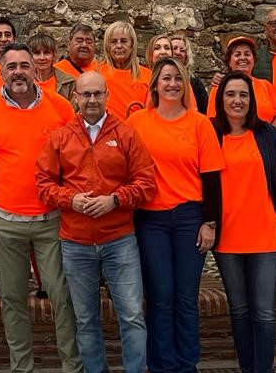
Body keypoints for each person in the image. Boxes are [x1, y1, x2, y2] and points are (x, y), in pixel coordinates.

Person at [36, 71, 157, 373]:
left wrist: (115, 199)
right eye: (86, 94)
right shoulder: (61, 137)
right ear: (75, 97)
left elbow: (146, 181)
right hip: (75, 242)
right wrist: (71, 199)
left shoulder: (126, 134)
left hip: (119, 239)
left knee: (132, 316)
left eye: (97, 94)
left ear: (107, 96)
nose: (92, 100)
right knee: (85, 319)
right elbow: (43, 184)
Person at [0, 43, 82, 373]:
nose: (18, 72)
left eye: (25, 65)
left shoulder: (60, 107)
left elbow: (75, 162)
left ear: (36, 69)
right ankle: (22, 367)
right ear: (1, 71)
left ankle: (72, 366)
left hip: (52, 220)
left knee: (62, 296)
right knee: (13, 299)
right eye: (11, 66)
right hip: (5, 222)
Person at [127, 58, 224, 373]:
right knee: (160, 295)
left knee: (185, 296)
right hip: (150, 220)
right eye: (166, 78)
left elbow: (212, 177)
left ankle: (187, 364)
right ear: (155, 84)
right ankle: (161, 364)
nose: (172, 84)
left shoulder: (199, 124)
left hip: (189, 218)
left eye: (178, 79)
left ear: (185, 85)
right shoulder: (138, 122)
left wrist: (210, 223)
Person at [212, 70, 276, 373]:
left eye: (243, 95)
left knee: (264, 311)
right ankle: (247, 367)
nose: (237, 100)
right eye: (230, 94)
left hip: (265, 234)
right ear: (220, 99)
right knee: (238, 309)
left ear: (251, 100)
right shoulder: (210, 133)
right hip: (227, 237)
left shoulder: (266, 134)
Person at [206, 36, 276, 129]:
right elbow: (212, 121)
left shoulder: (266, 85)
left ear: (254, 60)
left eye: (247, 54)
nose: (243, 58)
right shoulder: (220, 86)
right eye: (237, 55)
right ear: (229, 62)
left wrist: (267, 135)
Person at [99, 20, 149, 121]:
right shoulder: (97, 74)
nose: (118, 46)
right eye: (113, 42)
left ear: (132, 44)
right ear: (107, 46)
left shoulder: (148, 75)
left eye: (123, 41)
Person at [29, 31, 76, 100]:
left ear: (53, 55)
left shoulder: (68, 82)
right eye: (37, 53)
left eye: (46, 53)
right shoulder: (23, 81)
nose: (42, 58)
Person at [170, 32, 209, 112]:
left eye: (182, 50)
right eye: (174, 48)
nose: (178, 52)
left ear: (186, 56)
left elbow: (204, 109)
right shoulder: (155, 76)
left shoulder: (194, 81)